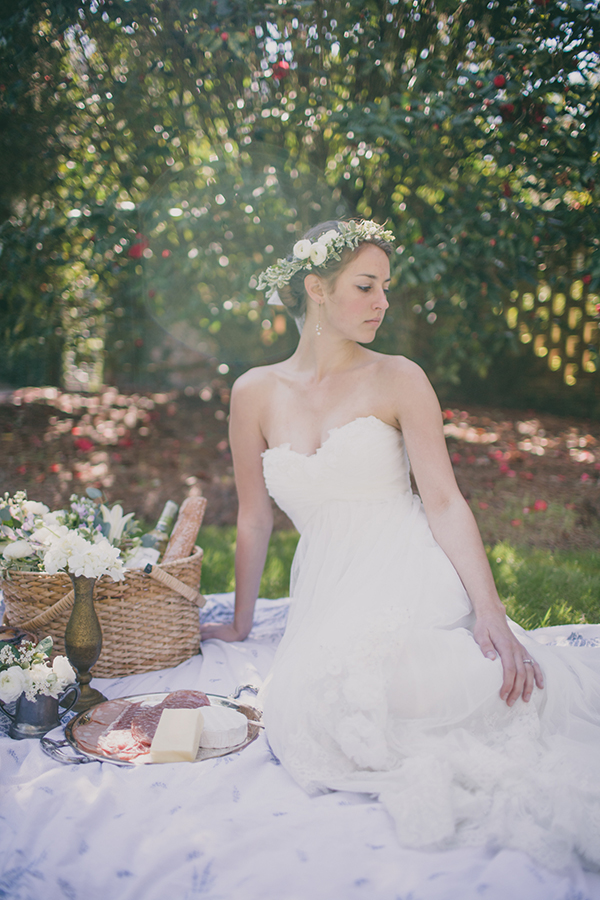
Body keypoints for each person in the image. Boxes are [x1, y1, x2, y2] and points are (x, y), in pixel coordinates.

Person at [200, 219, 600, 869]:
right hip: (330, 578)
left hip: (408, 562)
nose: (383, 301)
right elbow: (253, 518)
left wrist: (491, 611)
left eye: (386, 286)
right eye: (366, 285)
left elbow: (442, 500)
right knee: (307, 715)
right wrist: (241, 624)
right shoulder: (254, 393)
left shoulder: (400, 377)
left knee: (414, 688)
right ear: (316, 289)